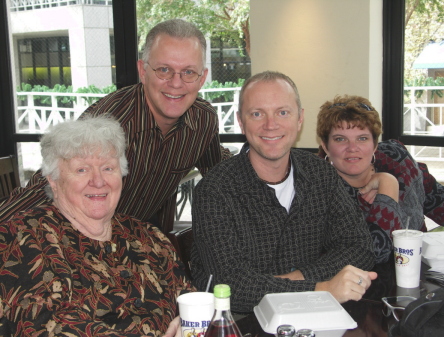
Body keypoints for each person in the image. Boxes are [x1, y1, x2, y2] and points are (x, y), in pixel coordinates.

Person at [0, 19, 231, 234]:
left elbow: (220, 174)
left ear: (202, 78)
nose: (176, 83)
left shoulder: (203, 120)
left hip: (137, 240)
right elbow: (47, 185)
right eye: (164, 70)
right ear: (143, 70)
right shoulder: (107, 123)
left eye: (188, 72)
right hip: (76, 239)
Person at [190, 71, 376, 314]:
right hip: (245, 321)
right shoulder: (215, 191)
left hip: (317, 318)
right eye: (257, 114)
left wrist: (297, 279)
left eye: (282, 112)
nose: (271, 125)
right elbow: (231, 286)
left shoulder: (319, 173)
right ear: (240, 122)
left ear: (300, 119)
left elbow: (359, 247)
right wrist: (321, 289)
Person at [0, 116, 192, 336]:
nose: (98, 181)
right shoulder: (21, 238)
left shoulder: (149, 237)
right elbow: (42, 326)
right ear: (53, 180)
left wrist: (188, 322)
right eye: (82, 170)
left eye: (108, 168)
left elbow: (190, 299)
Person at [316, 95, 444, 264]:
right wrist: (388, 185)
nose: (352, 148)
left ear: (375, 144)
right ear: (325, 146)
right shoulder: (317, 187)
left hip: (426, 272)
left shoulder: (396, 159)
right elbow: (375, 254)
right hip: (364, 285)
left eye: (362, 138)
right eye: (340, 139)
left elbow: (438, 202)